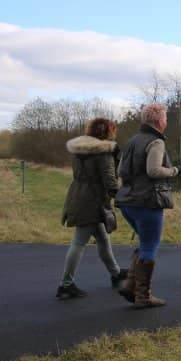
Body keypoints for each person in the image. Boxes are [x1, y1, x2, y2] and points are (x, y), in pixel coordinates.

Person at [114, 103, 181, 308]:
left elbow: (120, 170)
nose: (166, 122)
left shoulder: (133, 140)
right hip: (147, 202)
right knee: (150, 245)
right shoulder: (156, 142)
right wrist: (175, 171)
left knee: (145, 243)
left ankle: (130, 286)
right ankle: (143, 296)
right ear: (160, 121)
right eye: (166, 119)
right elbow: (154, 171)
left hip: (127, 201)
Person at [56, 117, 126, 299]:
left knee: (102, 238)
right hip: (93, 201)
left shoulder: (79, 150)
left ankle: (116, 273)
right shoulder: (103, 152)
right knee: (79, 242)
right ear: (107, 132)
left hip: (78, 194)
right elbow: (109, 179)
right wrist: (120, 197)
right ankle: (66, 285)